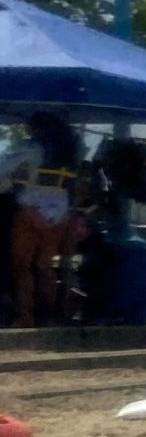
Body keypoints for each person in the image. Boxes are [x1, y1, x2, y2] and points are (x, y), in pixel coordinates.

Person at [4, 112, 83, 328]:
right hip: (59, 211)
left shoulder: (32, 147)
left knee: (23, 267)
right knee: (44, 267)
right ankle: (49, 318)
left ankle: (26, 317)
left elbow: (3, 169)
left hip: (30, 207)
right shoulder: (71, 150)